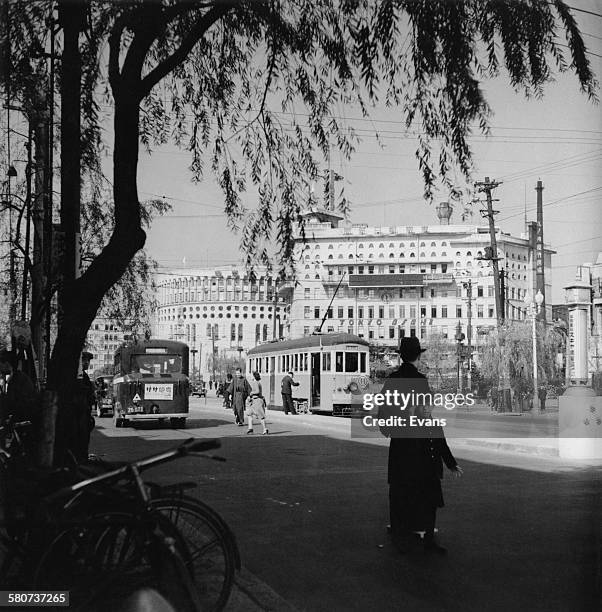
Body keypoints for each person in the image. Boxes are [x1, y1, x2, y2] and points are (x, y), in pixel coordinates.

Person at [378, 337, 463, 555]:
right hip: (420, 446)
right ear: (418, 355)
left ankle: (400, 532)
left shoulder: (391, 381)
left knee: (399, 490)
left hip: (399, 446)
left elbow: (383, 418)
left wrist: (391, 430)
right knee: (424, 490)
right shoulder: (421, 381)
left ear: (401, 355)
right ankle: (426, 537)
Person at [0, 347, 37, 424]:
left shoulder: (17, 379)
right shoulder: (16, 377)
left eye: (0, 365)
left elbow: (13, 402)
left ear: (7, 364)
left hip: (22, 418)